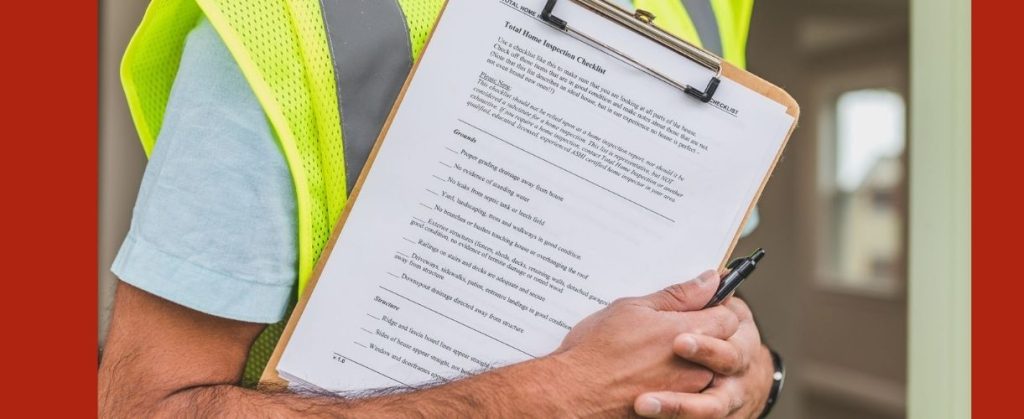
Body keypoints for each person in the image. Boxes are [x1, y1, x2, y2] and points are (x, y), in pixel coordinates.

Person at [98, 0, 779, 417]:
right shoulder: (281, 21)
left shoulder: (701, 10)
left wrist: (747, 377)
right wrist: (550, 396)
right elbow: (148, 407)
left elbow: (698, 305)